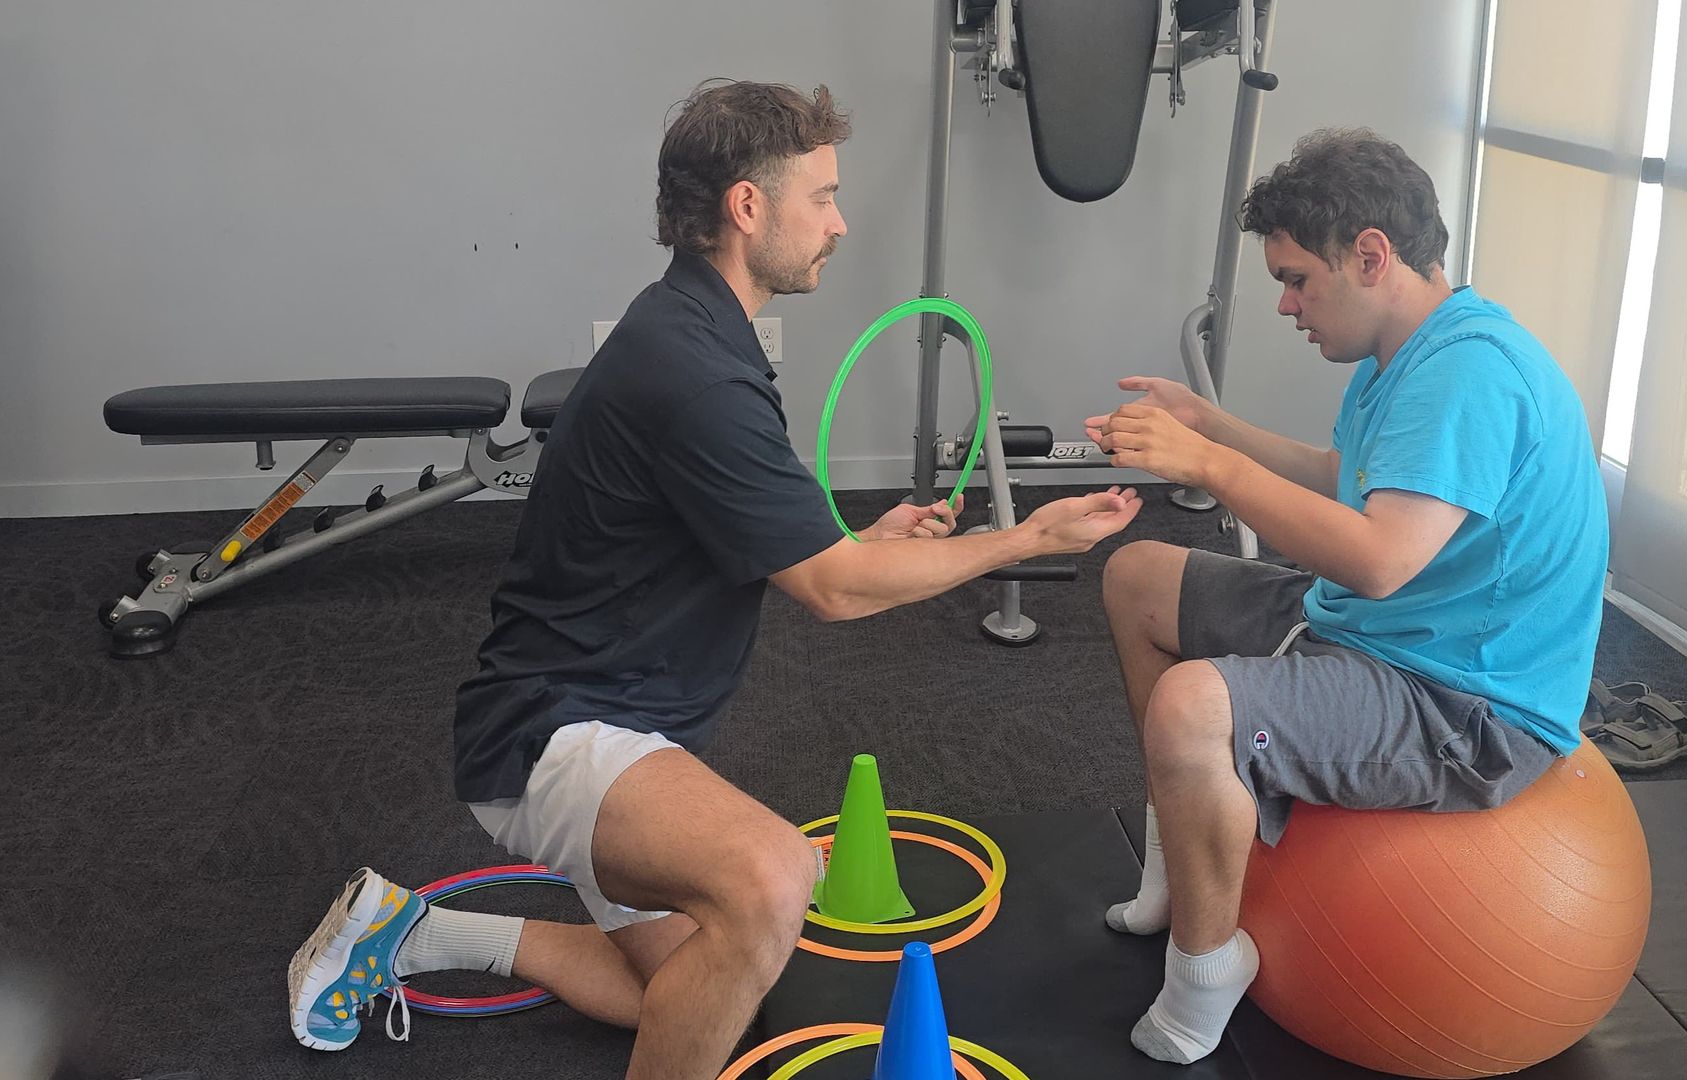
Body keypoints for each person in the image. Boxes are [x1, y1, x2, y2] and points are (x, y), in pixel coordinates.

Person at [287, 79, 1142, 1080]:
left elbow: (798, 554)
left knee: (688, 990)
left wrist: (867, 538)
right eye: (820, 198)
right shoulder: (694, 371)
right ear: (748, 206)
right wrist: (1027, 537)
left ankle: (413, 933)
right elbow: (836, 590)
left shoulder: (693, 334)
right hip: (551, 735)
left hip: (618, 718)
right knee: (777, 882)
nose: (841, 222)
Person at [1084, 128, 1609, 1064]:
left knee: (1192, 706)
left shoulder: (1469, 373)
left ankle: (1206, 972)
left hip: (1467, 705)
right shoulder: (1409, 353)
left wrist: (1204, 461)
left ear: (1372, 255)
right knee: (1138, 578)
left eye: (1296, 279)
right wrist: (1212, 424)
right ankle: (1179, 860)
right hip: (1387, 632)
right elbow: (1346, 477)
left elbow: (1376, 559)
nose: (1286, 304)